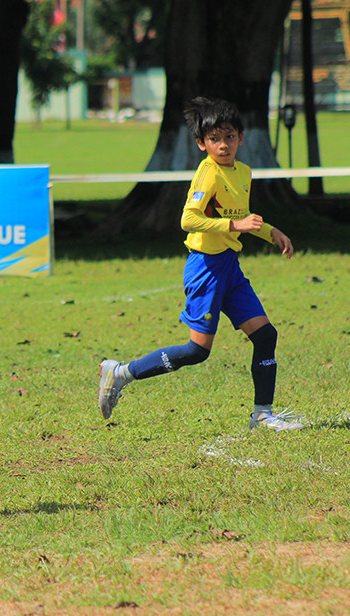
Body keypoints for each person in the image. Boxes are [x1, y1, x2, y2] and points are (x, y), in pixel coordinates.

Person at [98, 96, 305, 432]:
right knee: (196, 351)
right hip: (206, 270)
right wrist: (235, 227)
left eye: (229, 137)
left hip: (230, 269)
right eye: (214, 139)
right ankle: (122, 372)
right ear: (201, 143)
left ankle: (262, 415)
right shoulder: (207, 174)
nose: (222, 145)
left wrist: (272, 233)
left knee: (266, 336)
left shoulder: (243, 172)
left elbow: (237, 216)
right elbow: (188, 219)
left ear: (241, 137)